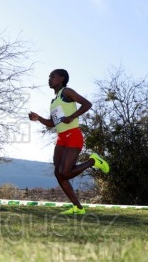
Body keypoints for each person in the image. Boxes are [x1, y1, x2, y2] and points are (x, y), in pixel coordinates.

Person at [28, 69, 109, 215]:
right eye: (49, 77)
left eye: (52, 76)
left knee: (64, 172)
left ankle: (92, 161)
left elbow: (87, 104)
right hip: (61, 138)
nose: (49, 79)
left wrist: (72, 117)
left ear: (62, 78)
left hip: (73, 135)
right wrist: (38, 118)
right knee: (58, 173)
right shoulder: (54, 101)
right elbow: (53, 123)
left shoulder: (67, 92)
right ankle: (78, 208)